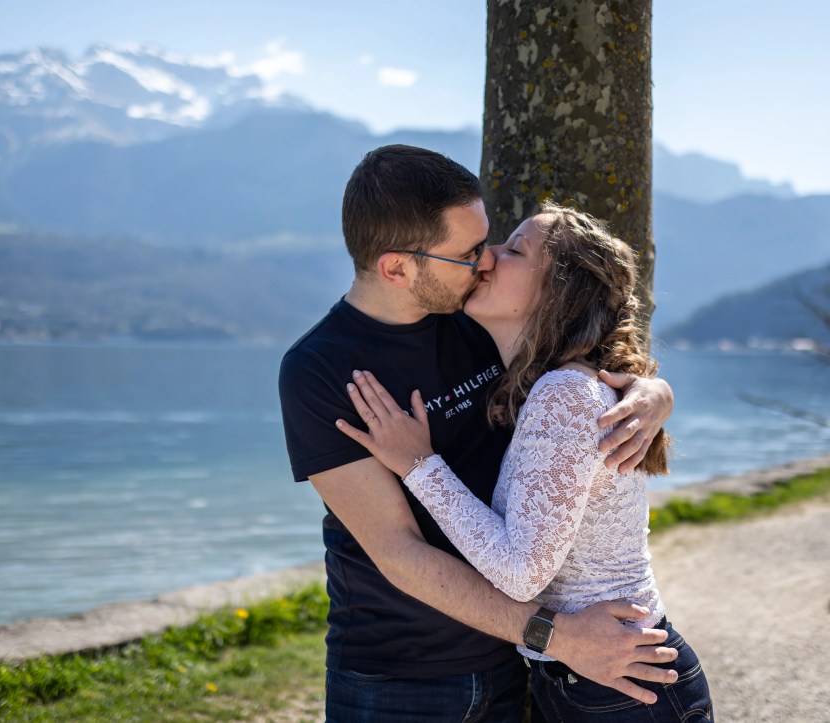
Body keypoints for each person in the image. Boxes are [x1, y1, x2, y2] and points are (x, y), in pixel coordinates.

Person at [278, 145, 678, 722]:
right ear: (397, 268)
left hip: (521, 666)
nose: (486, 260)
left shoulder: (478, 316)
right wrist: (558, 637)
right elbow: (398, 551)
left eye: (491, 242)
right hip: (399, 677)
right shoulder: (319, 369)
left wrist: (652, 393)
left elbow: (582, 369)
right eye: (466, 253)